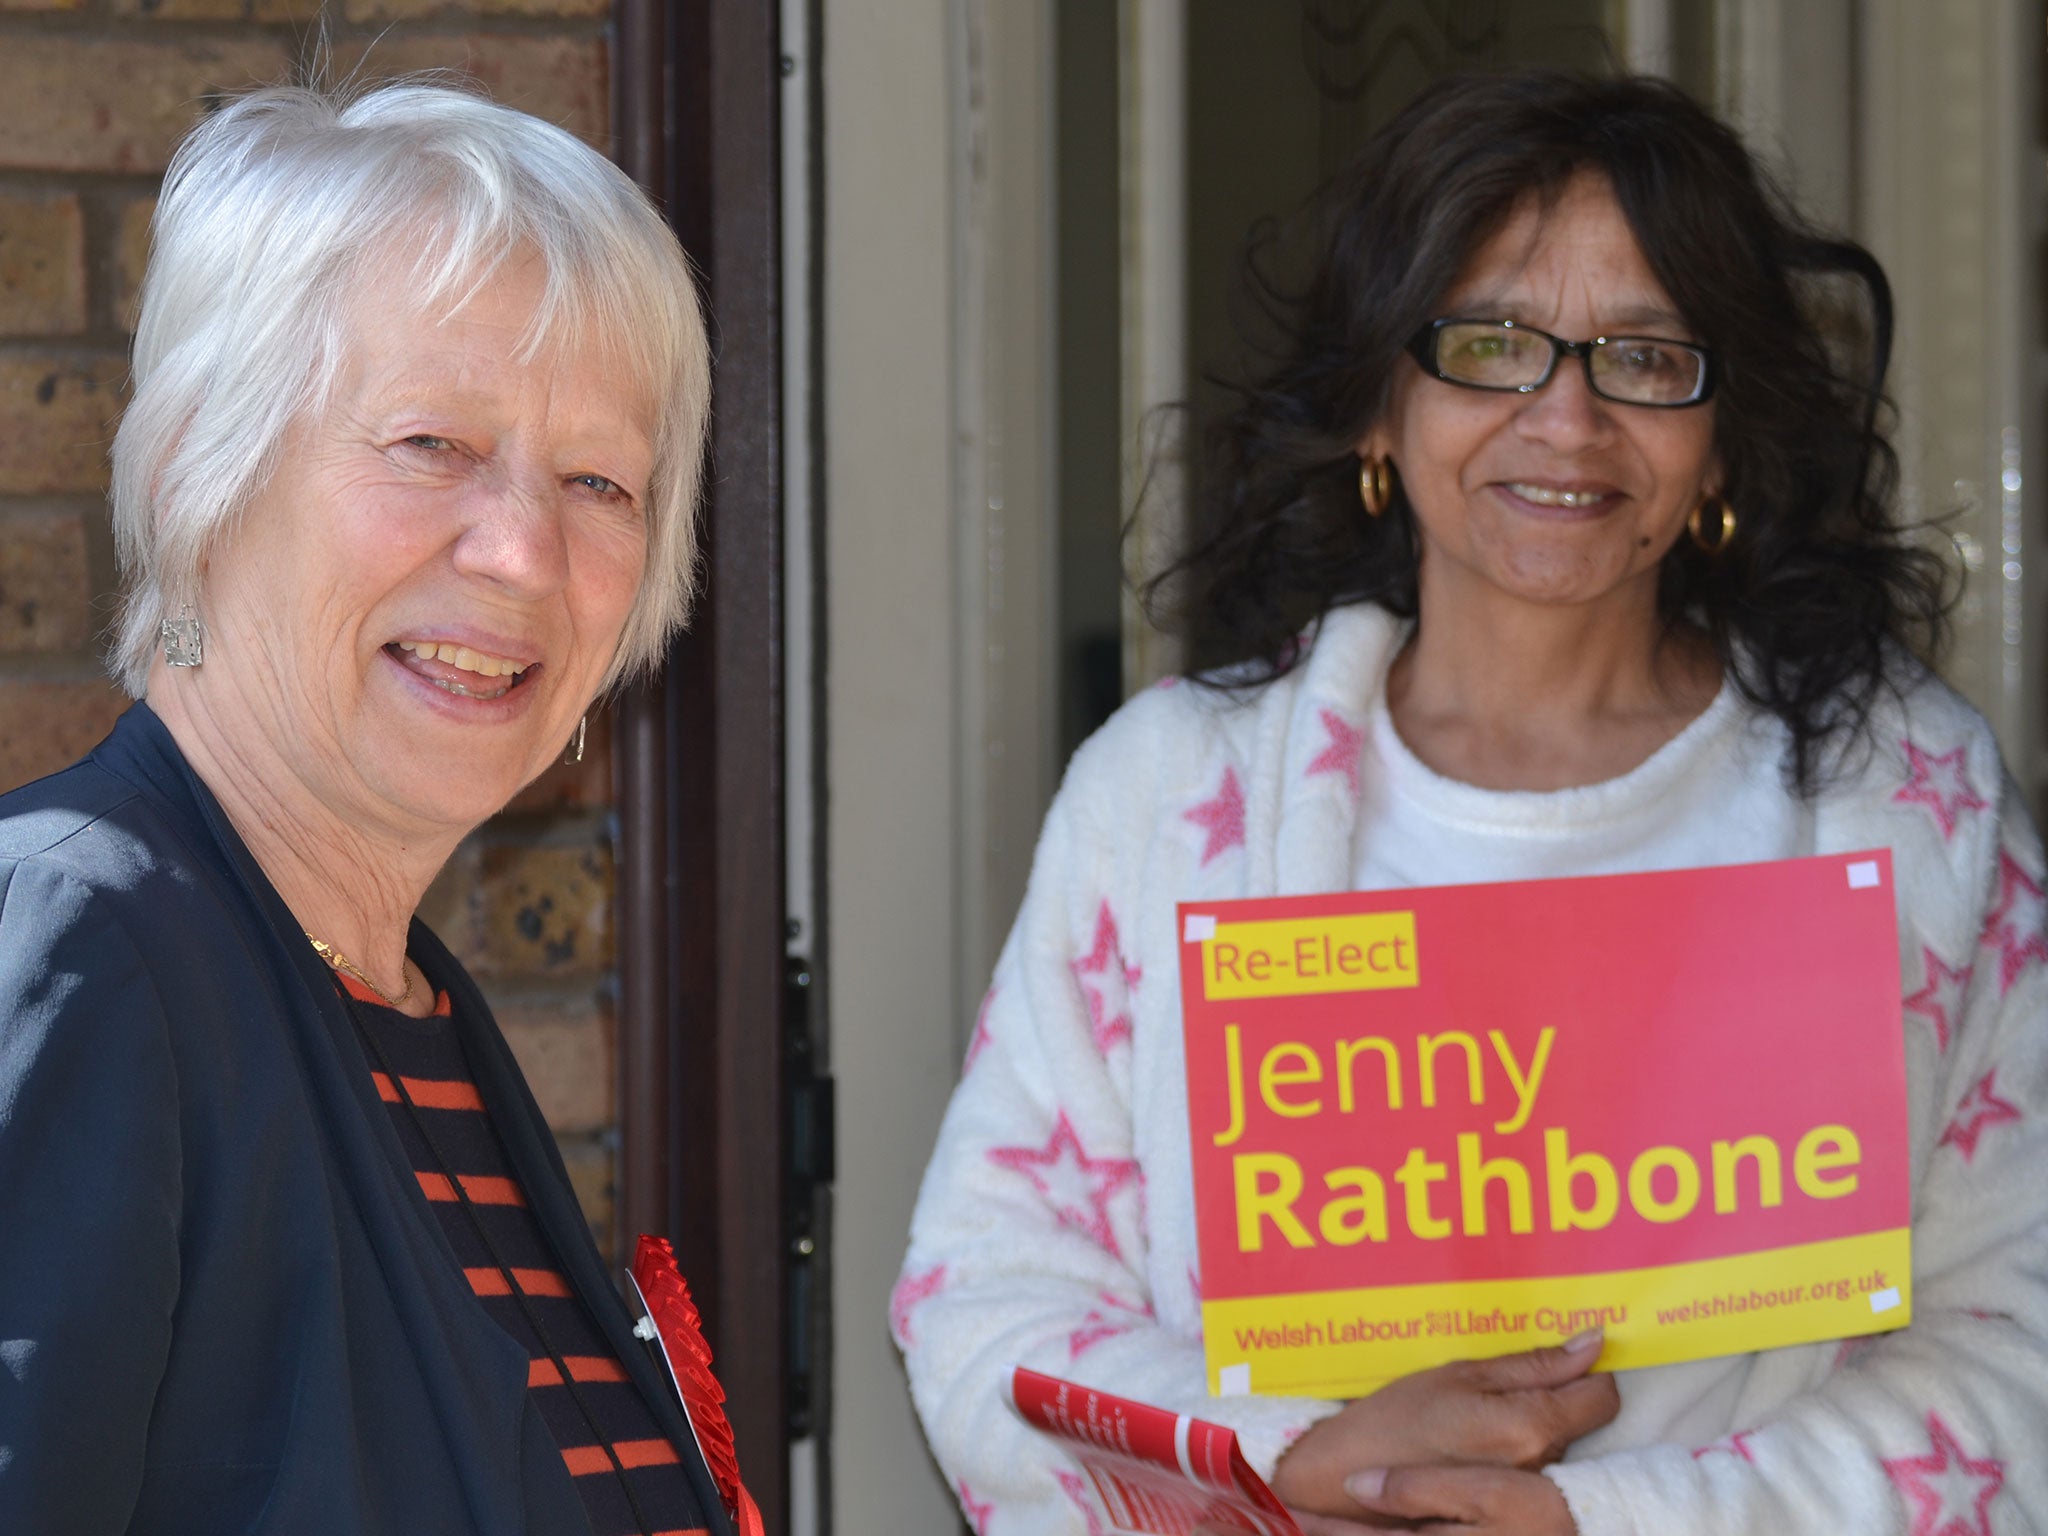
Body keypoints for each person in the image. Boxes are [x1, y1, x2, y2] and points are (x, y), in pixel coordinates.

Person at [894, 69, 2048, 1536]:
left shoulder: (1909, 803)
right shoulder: (1169, 795)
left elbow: (2020, 1345)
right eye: (1491, 344)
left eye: (1646, 356)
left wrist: (1603, 1521)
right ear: (1383, 402)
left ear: (1721, 436)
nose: (1565, 419)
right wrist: (1300, 1457)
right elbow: (985, 1305)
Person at [0, 82, 740, 1536]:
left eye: (599, 480)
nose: (525, 550)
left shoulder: (405, 1008)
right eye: (432, 446)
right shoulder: (78, 949)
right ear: (197, 469)